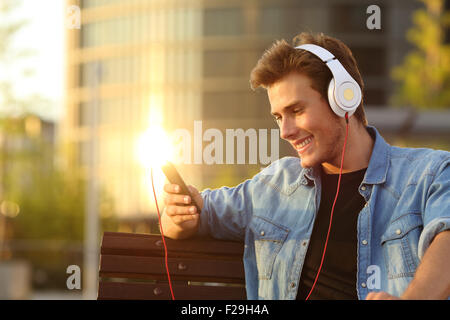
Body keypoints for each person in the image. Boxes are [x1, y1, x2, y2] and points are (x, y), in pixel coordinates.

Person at [161, 32, 450, 300]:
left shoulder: (429, 173)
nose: (285, 131)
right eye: (278, 116)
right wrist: (178, 218)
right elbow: (187, 217)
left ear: (343, 99)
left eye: (296, 111)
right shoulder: (273, 186)